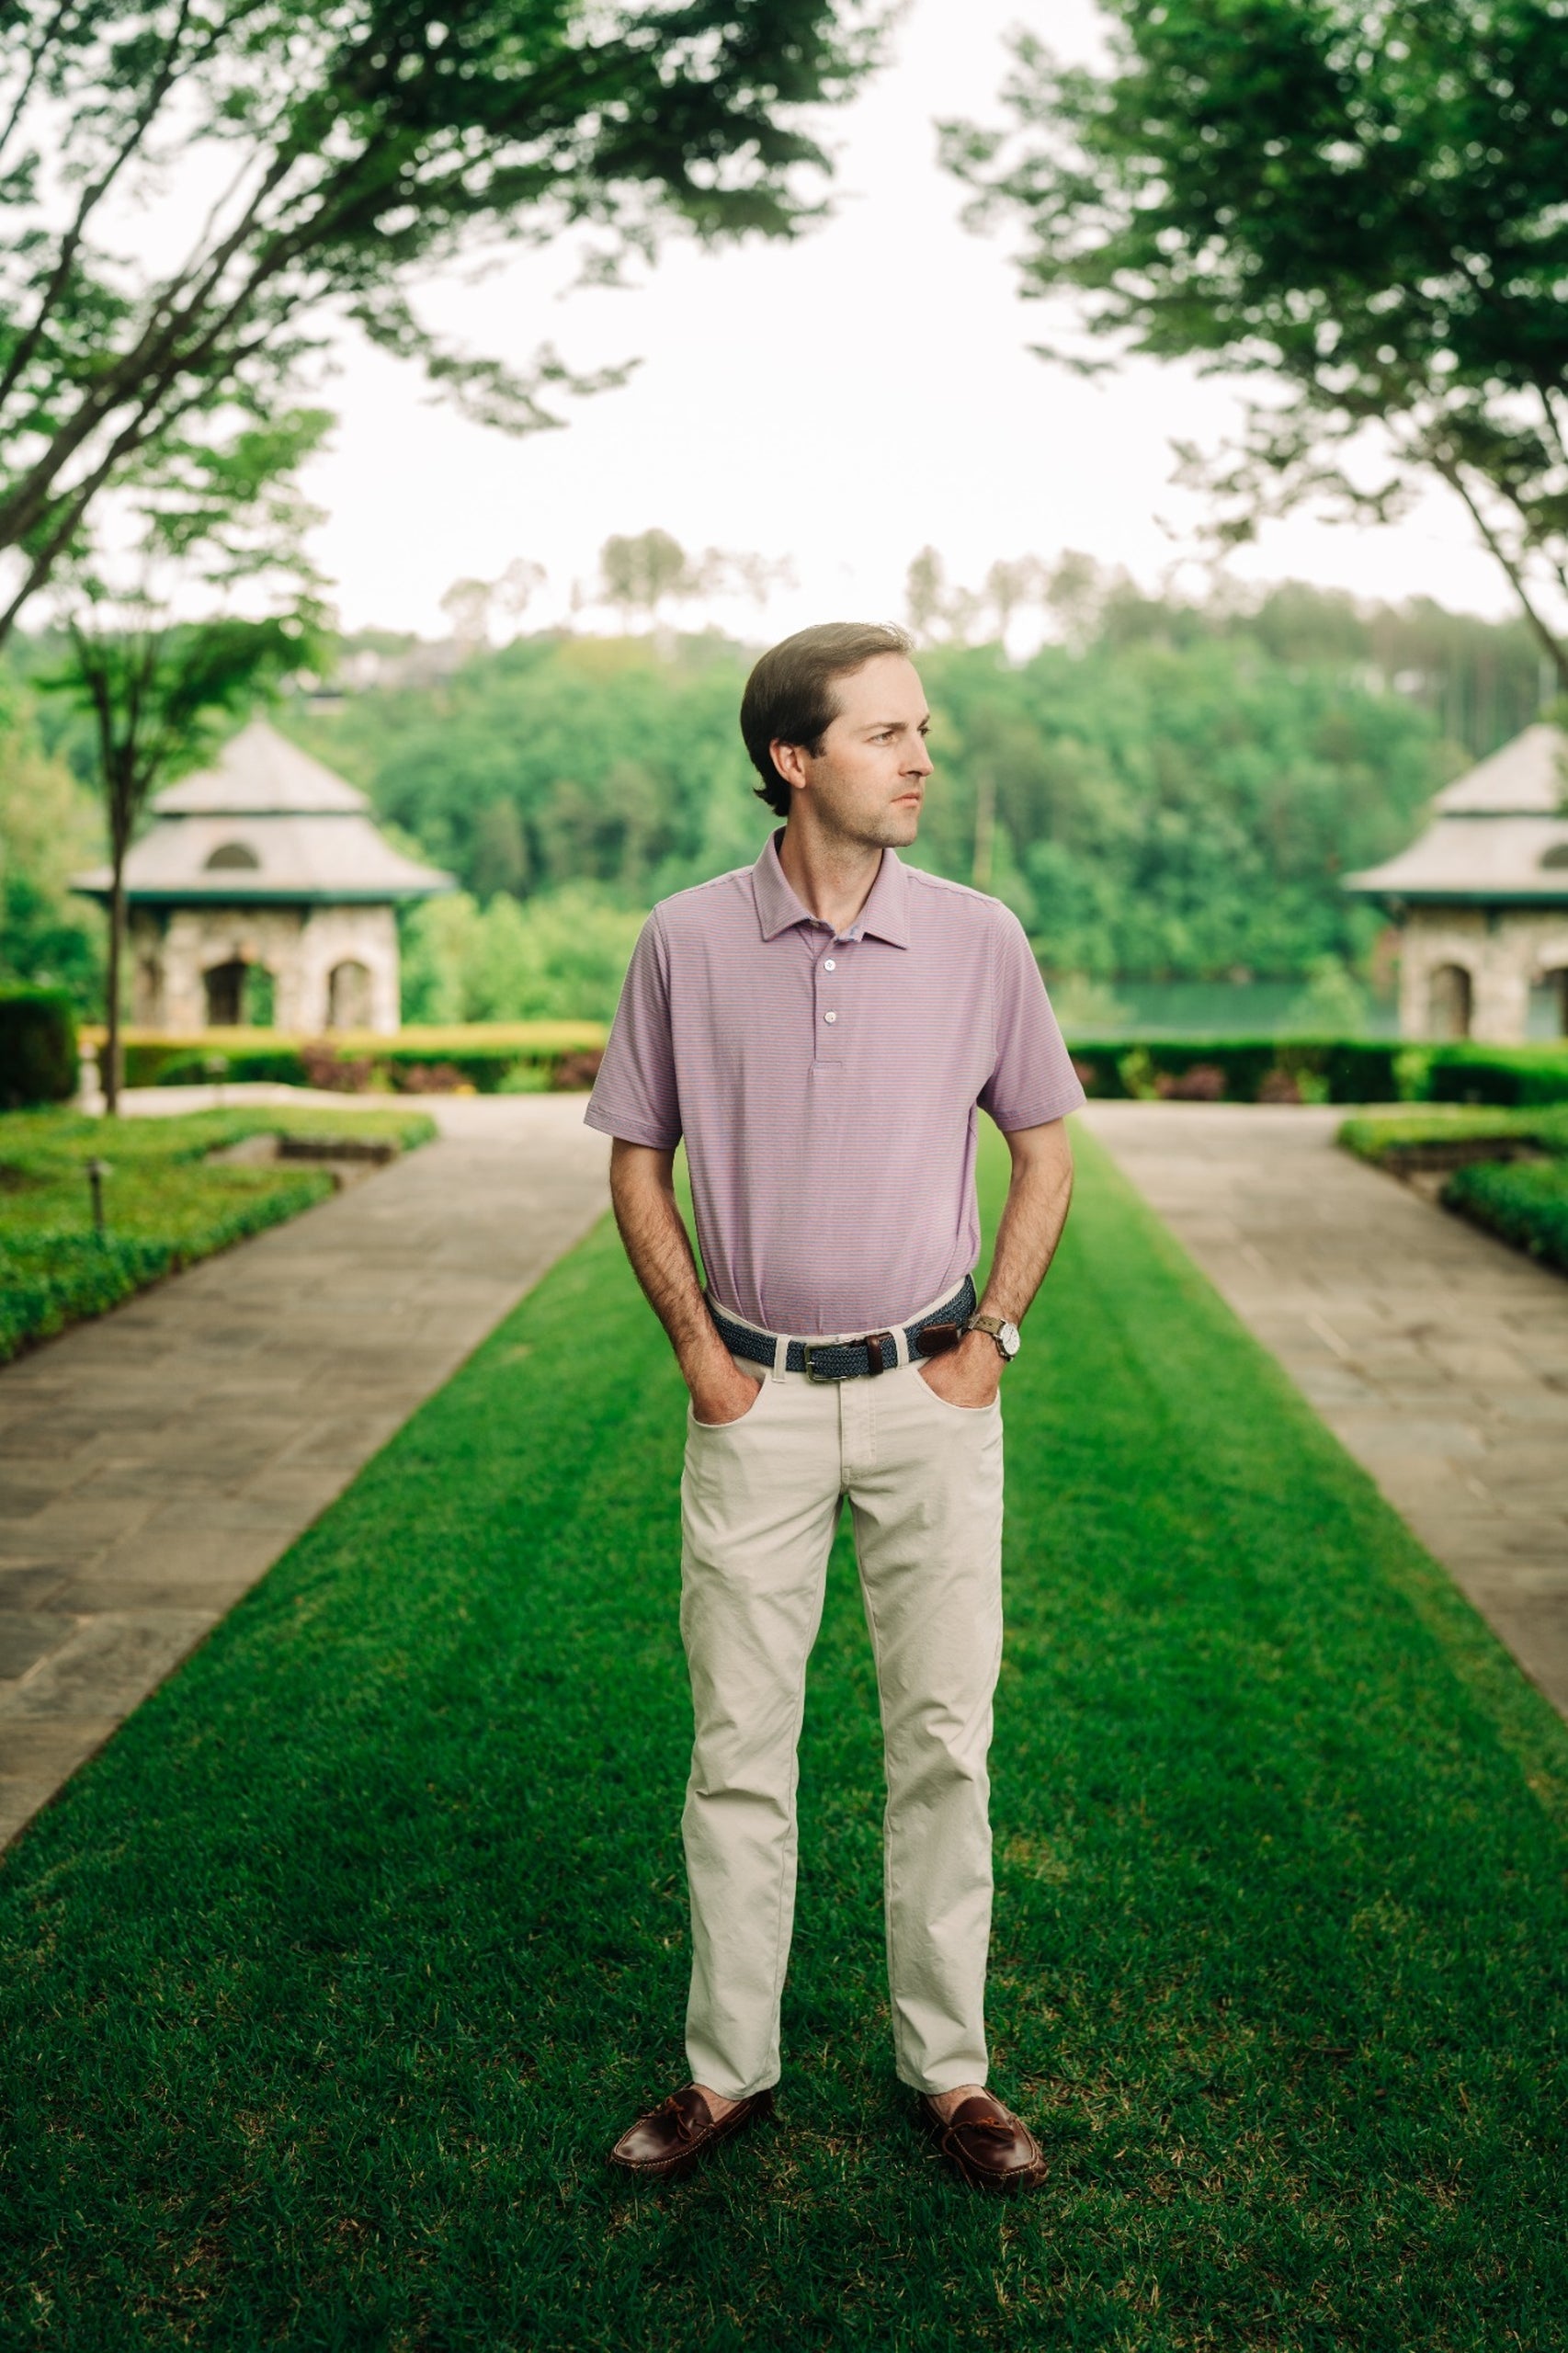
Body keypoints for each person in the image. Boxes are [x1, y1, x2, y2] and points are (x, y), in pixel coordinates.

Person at [585, 621, 1084, 2191]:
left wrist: (987, 1341)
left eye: (922, 729)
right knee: (739, 1746)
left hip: (933, 1394)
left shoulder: (980, 938)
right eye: (885, 734)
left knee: (943, 1743)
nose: (921, 758)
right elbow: (636, 1158)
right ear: (792, 759)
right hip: (757, 1405)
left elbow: (1044, 1148)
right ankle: (723, 2073)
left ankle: (951, 2074)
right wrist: (701, 1360)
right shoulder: (682, 939)